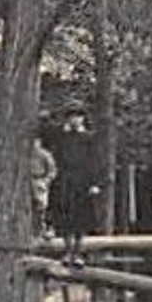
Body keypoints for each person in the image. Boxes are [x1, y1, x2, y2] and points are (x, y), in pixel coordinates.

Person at [49, 109, 99, 266]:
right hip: (65, 181)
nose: (75, 119)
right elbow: (54, 150)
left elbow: (94, 161)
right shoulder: (62, 138)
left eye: (78, 116)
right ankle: (67, 251)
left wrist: (94, 182)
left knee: (81, 218)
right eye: (71, 116)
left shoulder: (89, 138)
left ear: (83, 118)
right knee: (65, 217)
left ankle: (79, 252)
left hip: (82, 182)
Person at [30, 138, 57, 237]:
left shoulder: (45, 155)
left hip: (39, 180)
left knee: (41, 207)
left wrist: (46, 181)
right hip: (28, 180)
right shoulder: (25, 155)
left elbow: (52, 170)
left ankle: (43, 229)